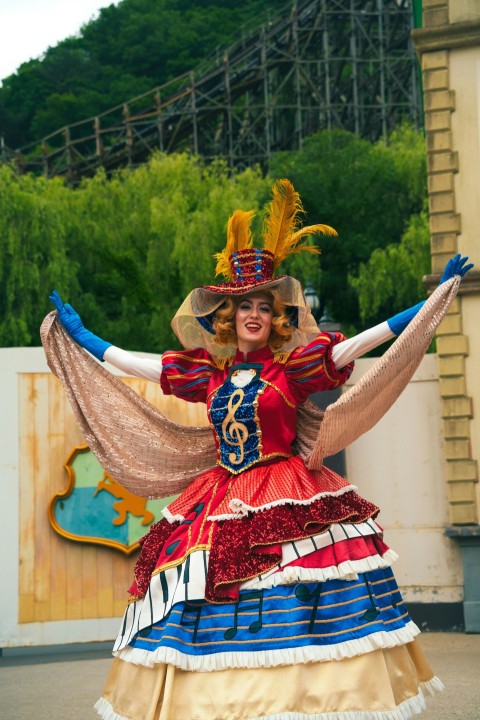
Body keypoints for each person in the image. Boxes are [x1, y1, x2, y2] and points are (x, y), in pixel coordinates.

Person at [46, 179, 472, 720]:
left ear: (275, 319)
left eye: (263, 308)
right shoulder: (207, 373)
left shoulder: (293, 370)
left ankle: (305, 703)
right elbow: (139, 366)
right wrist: (86, 339)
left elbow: (363, 343)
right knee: (209, 595)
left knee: (295, 591)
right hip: (219, 497)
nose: (252, 314)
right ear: (228, 316)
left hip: (287, 485)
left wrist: (429, 302)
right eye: (243, 306)